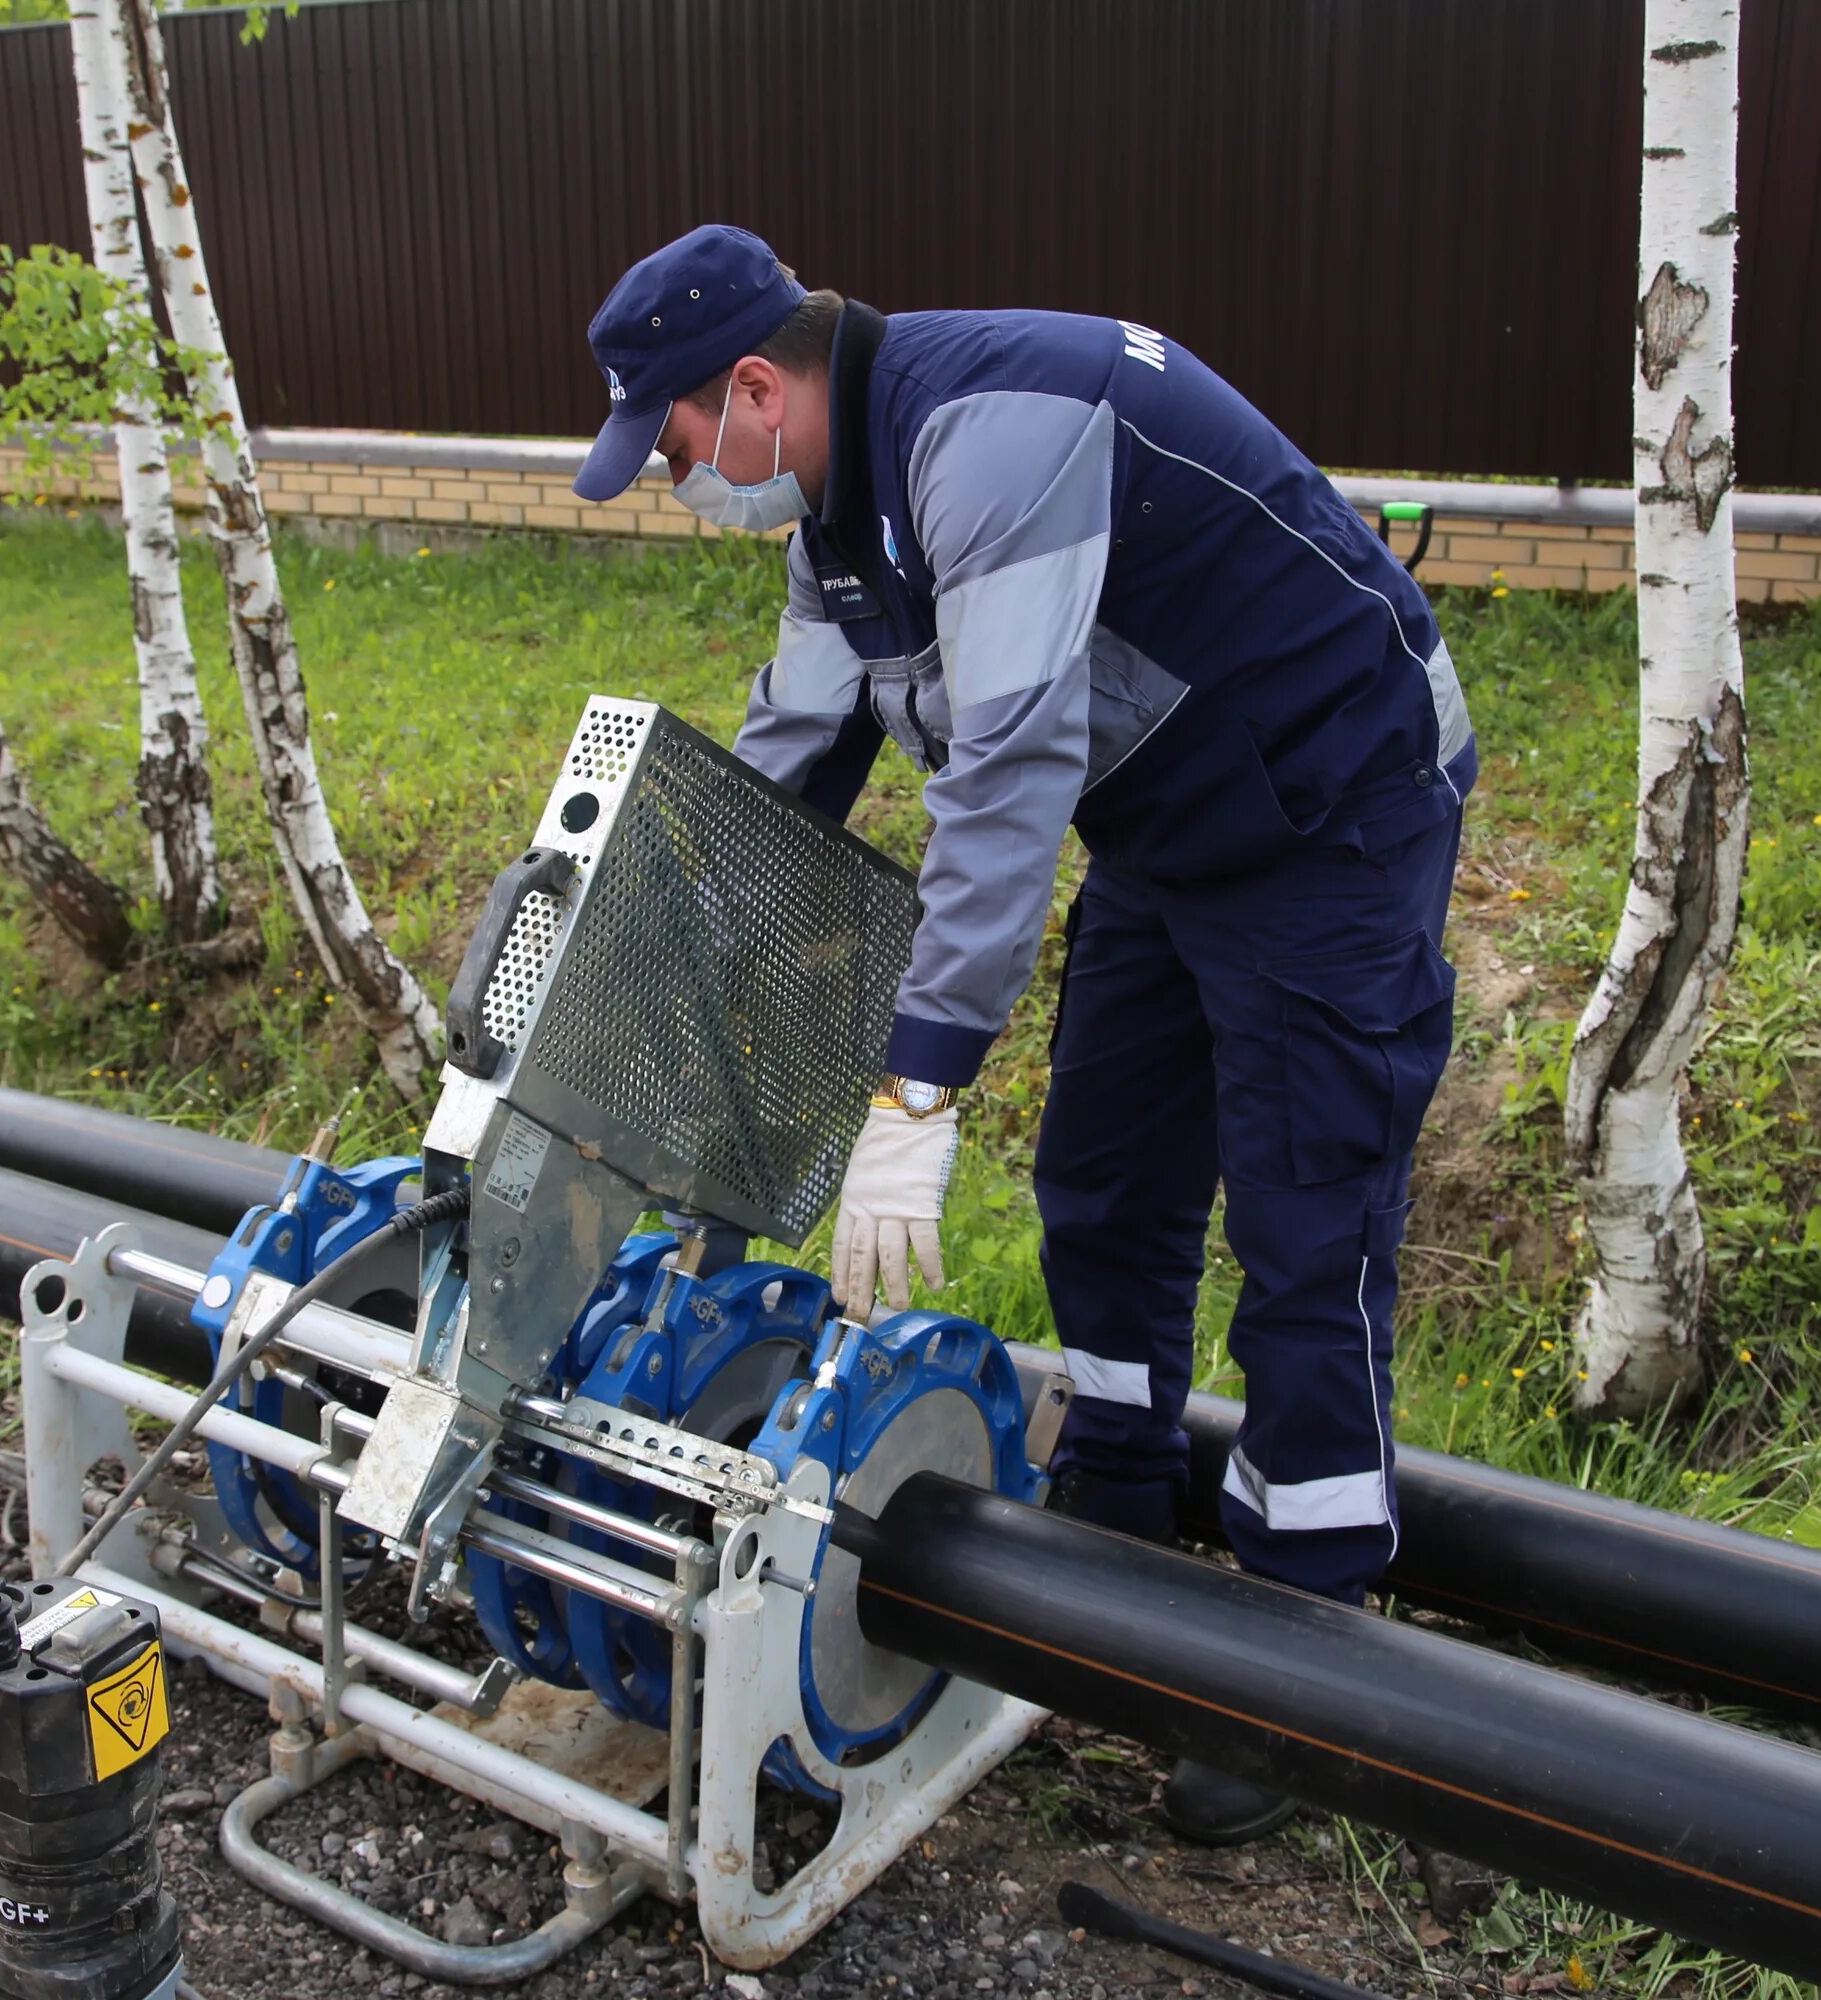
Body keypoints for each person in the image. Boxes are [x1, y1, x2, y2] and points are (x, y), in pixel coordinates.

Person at [568, 225, 1475, 1844]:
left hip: (1329, 805)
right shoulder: (837, 513)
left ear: (757, 385)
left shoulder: (993, 434)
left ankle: (1305, 1657)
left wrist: (917, 1090)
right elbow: (793, 758)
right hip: (1172, 815)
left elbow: (1003, 777)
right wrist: (643, 976)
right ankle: (1117, 1505)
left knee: (1305, 1215)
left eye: (679, 438)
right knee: (1105, 1181)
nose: (677, 474)